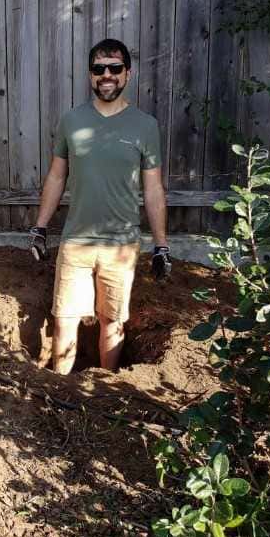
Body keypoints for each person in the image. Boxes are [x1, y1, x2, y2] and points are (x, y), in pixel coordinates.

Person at [30, 38, 171, 374]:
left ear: (127, 74)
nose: (106, 75)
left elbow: (153, 188)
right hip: (75, 240)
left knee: (112, 322)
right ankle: (58, 391)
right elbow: (55, 177)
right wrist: (39, 227)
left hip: (121, 245)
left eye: (115, 68)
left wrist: (161, 245)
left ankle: (105, 392)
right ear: (90, 75)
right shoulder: (72, 121)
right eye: (99, 69)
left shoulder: (145, 126)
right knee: (64, 319)